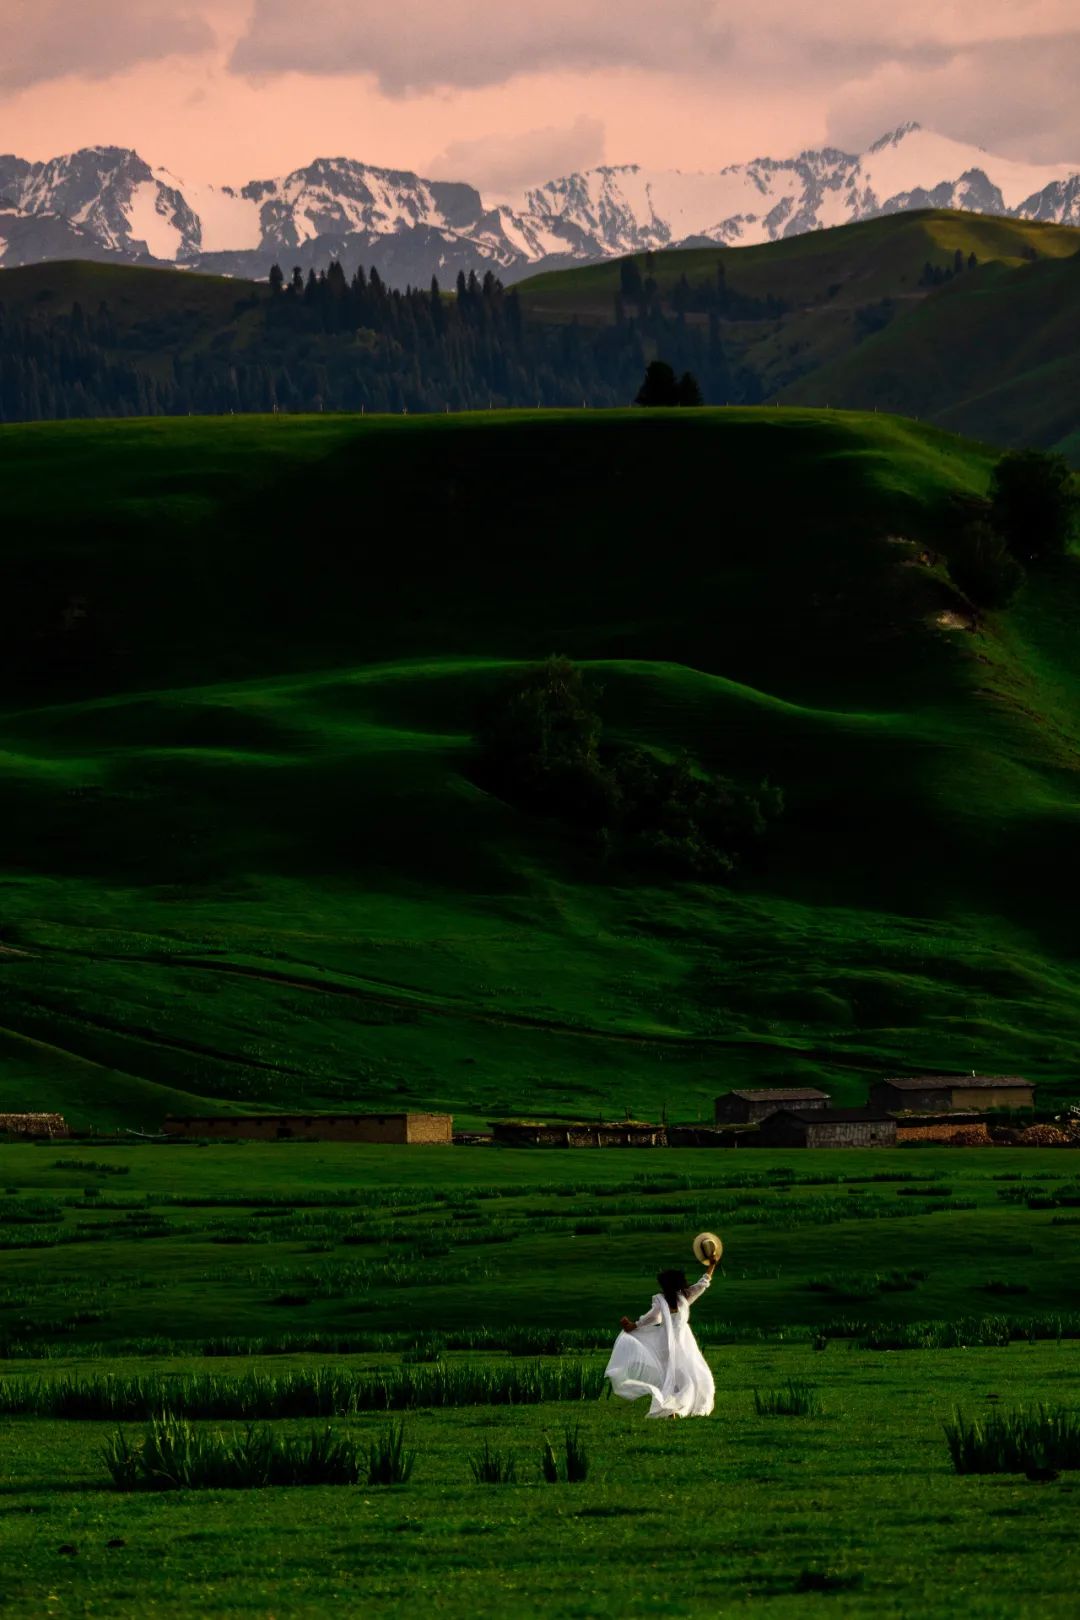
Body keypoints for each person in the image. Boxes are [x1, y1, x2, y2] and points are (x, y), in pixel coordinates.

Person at [604, 1253, 718, 1418]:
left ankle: (671, 1407)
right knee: (690, 1375)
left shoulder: (664, 1299)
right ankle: (675, 1407)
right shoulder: (684, 1297)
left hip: (667, 1342)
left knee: (670, 1377)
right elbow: (703, 1283)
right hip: (683, 1343)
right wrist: (712, 1264)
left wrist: (633, 1325)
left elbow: (652, 1317)